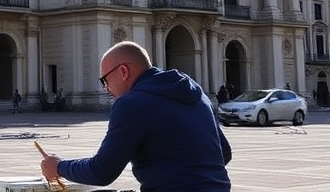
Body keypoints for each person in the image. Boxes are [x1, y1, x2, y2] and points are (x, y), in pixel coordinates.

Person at [39, 41, 231, 191]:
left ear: (123, 71)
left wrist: (58, 167)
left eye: (105, 81)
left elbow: (101, 172)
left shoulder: (132, 103)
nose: (107, 89)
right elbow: (224, 153)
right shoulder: (197, 93)